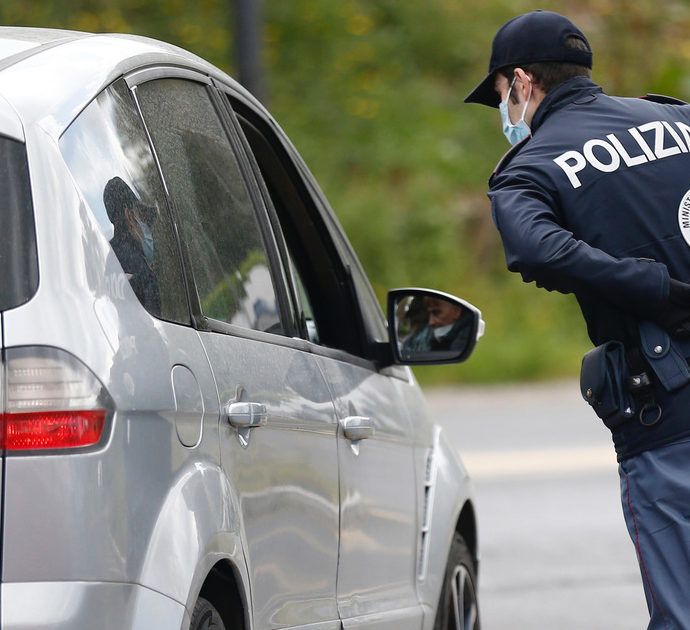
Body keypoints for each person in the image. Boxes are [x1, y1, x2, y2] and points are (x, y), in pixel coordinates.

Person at [465, 10, 690, 629]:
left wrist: (655, 289)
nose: (503, 113)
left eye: (498, 99)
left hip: (670, 418)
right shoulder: (675, 118)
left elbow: (537, 249)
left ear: (521, 83)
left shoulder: (530, 167)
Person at [103, 176, 161, 315]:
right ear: (129, 215)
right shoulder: (141, 271)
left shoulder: (107, 262)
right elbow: (153, 330)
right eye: (141, 215)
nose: (146, 227)